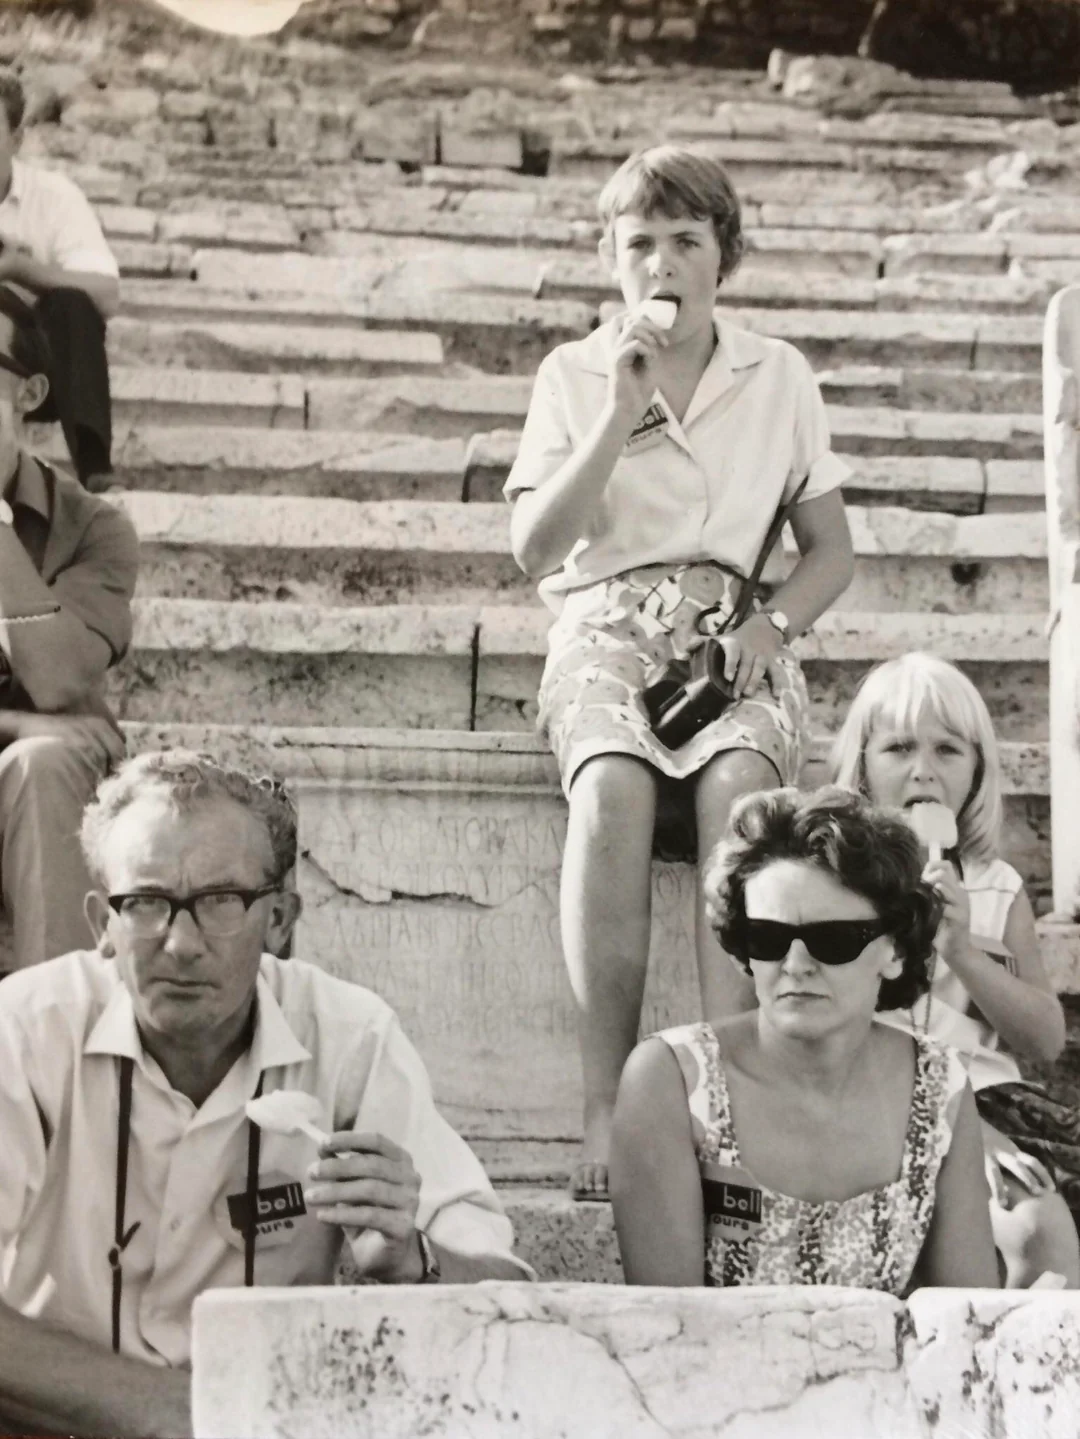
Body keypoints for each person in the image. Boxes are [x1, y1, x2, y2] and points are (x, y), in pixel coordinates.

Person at [504, 143, 855, 1199]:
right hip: (606, 621)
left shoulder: (778, 375)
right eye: (639, 243)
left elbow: (830, 553)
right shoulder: (574, 374)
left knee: (740, 790)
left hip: (734, 628)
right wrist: (620, 411)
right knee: (611, 784)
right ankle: (608, 1103)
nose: (661, 264)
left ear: (723, 257)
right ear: (611, 259)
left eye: (686, 241)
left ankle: (730, 1098)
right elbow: (534, 549)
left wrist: (773, 628)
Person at [0, 751, 532, 1439]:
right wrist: (181, 1413)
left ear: (279, 920)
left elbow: (509, 1295)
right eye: (147, 903)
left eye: (221, 901)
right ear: (104, 922)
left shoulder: (350, 1037)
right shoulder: (25, 1028)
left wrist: (416, 1258)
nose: (180, 943)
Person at [609, 785, 1000, 1292]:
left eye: (832, 940)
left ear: (896, 950)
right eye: (768, 938)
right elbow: (668, 1322)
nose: (795, 965)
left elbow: (962, 1314)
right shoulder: (670, 1081)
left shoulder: (939, 1086)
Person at [831, 651, 1080, 1287]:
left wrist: (964, 951)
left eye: (947, 750)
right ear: (862, 768)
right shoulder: (837, 885)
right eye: (898, 748)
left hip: (991, 1101)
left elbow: (1045, 1040)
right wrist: (958, 1130)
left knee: (1038, 1225)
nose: (923, 769)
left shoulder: (997, 888)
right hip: (875, 1096)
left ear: (977, 772)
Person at [0, 283, 137, 977]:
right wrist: (16, 723)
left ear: (29, 393)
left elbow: (56, 679)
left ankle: (49, 1031)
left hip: (38, 788)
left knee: (45, 762)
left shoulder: (94, 528)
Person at [0, 68, 119, 490]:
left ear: (17, 140)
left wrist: (21, 269)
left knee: (71, 303)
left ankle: (94, 467)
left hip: (37, 374)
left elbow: (107, 294)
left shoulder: (54, 197)